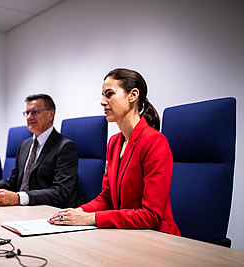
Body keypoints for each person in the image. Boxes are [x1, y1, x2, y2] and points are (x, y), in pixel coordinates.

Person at [49, 68, 181, 236]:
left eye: (109, 94)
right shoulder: (114, 142)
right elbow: (107, 198)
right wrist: (76, 212)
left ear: (132, 95)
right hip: (127, 234)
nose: (103, 102)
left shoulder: (155, 142)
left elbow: (150, 216)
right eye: (103, 95)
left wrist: (91, 218)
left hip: (158, 238)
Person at [0, 94, 80, 208]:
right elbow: (12, 182)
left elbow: (61, 192)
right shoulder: (25, 145)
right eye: (27, 113)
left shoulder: (65, 146)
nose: (29, 117)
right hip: (21, 207)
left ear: (51, 114)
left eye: (35, 112)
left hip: (48, 209)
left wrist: (19, 198)